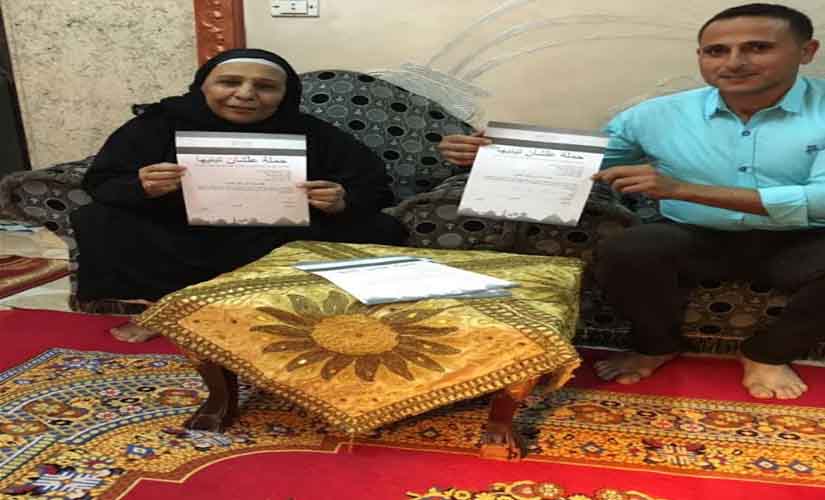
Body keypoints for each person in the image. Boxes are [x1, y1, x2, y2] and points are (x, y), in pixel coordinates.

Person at [437, 4, 825, 400]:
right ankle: (656, 345)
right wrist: (492, 155)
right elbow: (585, 164)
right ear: (700, 57)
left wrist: (682, 189)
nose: (735, 62)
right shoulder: (656, 115)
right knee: (627, 250)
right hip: (696, 233)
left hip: (803, 238)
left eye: (758, 48)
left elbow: (820, 201)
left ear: (806, 51)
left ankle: (768, 354)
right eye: (716, 51)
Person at [71, 49, 406, 343]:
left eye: (265, 87)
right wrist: (140, 186)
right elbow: (101, 181)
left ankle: (297, 311)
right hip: (180, 232)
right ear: (203, 87)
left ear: (285, 95)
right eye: (229, 82)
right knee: (100, 218)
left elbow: (375, 187)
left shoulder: (314, 133)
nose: (245, 94)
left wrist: (341, 200)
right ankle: (159, 308)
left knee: (381, 228)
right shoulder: (157, 125)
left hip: (280, 236)